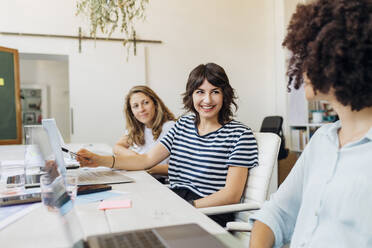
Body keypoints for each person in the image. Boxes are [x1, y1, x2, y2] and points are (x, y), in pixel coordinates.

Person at [249, 0, 372, 247]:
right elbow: (276, 213)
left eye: (312, 54)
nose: (302, 67)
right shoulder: (322, 140)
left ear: (346, 59)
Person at [77, 63, 259, 227]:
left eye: (215, 91)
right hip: (176, 198)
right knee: (119, 219)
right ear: (191, 95)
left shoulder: (240, 134)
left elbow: (231, 195)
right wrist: (98, 160)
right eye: (200, 92)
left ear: (225, 94)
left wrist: (184, 206)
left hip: (208, 211)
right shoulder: (183, 124)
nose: (207, 100)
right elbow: (146, 160)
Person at [113, 85, 176, 175]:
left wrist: (143, 165)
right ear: (131, 112)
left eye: (146, 103)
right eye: (135, 106)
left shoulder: (170, 127)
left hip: (158, 181)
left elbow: (181, 168)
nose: (141, 109)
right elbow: (117, 147)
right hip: (141, 174)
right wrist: (137, 158)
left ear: (155, 103)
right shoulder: (136, 128)